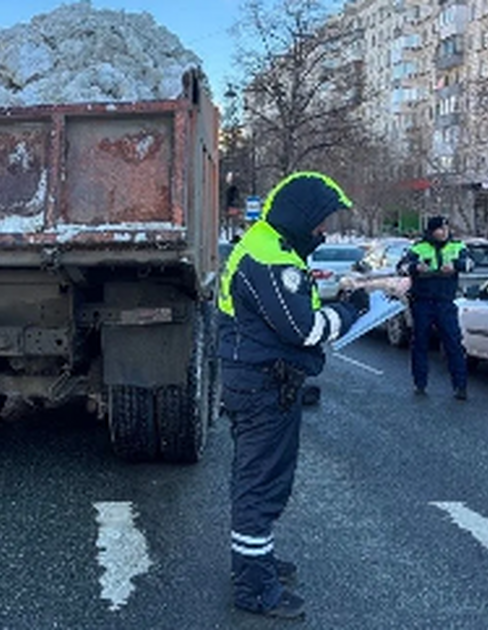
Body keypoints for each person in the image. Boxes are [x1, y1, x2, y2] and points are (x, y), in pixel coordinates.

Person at [217, 172, 367, 619]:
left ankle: (255, 562)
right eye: (321, 222)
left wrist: (331, 301)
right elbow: (304, 329)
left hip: (261, 382)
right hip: (265, 386)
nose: (323, 231)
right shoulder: (269, 258)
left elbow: (293, 311)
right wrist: (351, 311)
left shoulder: (273, 246)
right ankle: (254, 587)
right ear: (301, 218)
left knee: (259, 479)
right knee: (260, 484)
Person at [397, 215, 472, 400]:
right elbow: (401, 267)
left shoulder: (457, 246)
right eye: (440, 229)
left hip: (445, 302)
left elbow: (470, 264)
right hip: (422, 302)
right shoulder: (418, 247)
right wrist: (416, 268)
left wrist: (456, 266)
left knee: (454, 344)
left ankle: (460, 387)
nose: (444, 232)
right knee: (420, 344)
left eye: (446, 228)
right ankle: (420, 383)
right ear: (432, 231)